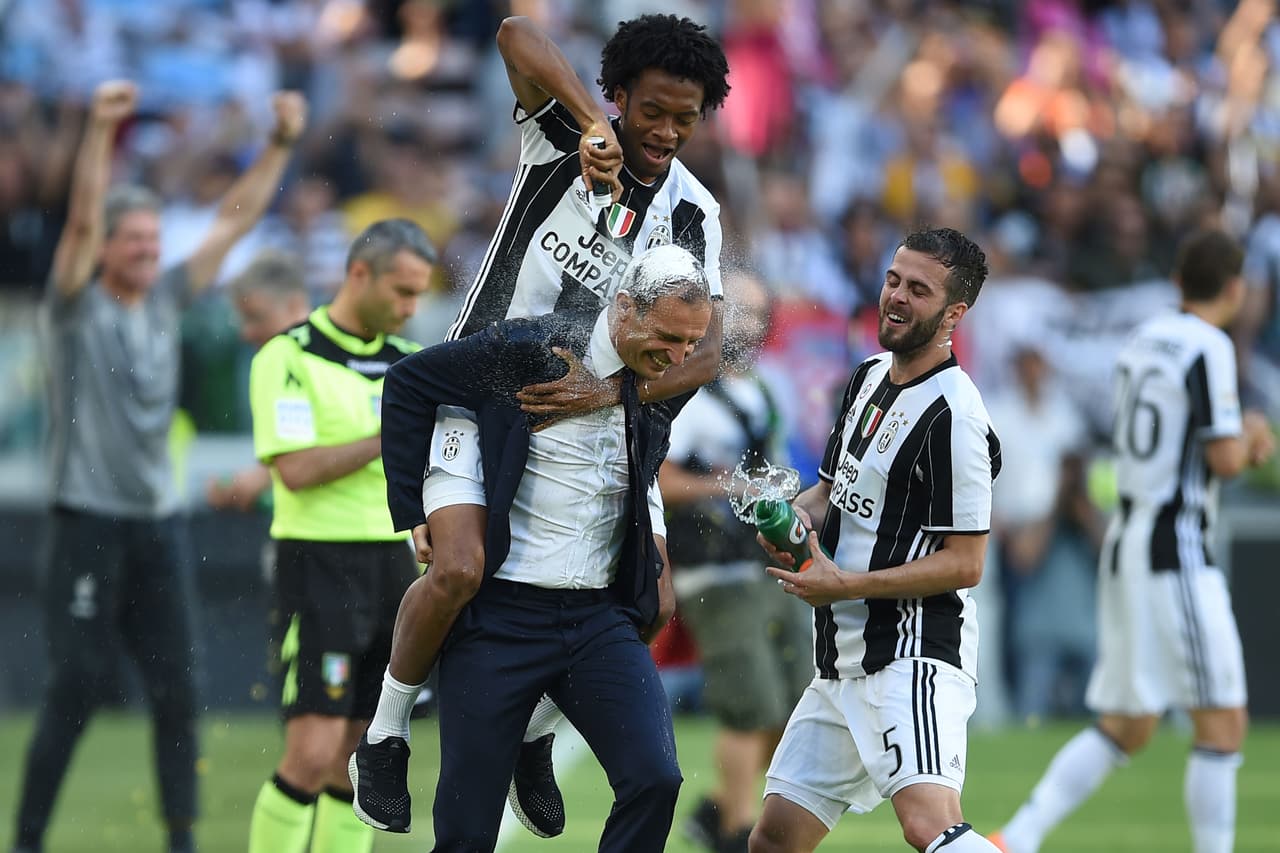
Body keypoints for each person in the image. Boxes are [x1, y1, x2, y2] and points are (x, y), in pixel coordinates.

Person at [350, 11, 731, 838]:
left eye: (685, 119)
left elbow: (710, 351)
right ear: (619, 96)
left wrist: (613, 391)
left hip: (596, 425)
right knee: (458, 568)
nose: (666, 132)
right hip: (481, 393)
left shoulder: (694, 214)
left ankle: (535, 733)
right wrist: (591, 123)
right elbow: (517, 33)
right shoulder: (566, 139)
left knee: (652, 598)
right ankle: (384, 733)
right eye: (651, 111)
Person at [13, 80, 306, 853]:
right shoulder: (75, 305)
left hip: (158, 525)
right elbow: (78, 218)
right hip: (86, 523)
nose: (148, 249)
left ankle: (181, 839)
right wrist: (101, 130)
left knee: (179, 691)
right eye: (132, 239)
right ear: (103, 247)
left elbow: (229, 224)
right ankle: (29, 837)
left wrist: (277, 145)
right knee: (75, 686)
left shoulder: (166, 298)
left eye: (151, 237)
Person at [365, 244, 710, 852]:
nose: (679, 359)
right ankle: (386, 734)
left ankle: (536, 727)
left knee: (656, 778)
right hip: (501, 617)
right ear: (624, 309)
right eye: (668, 338)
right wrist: (412, 508)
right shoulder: (534, 347)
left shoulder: (663, 373)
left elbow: (645, 456)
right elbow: (409, 381)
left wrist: (649, 535)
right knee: (466, 832)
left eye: (691, 344)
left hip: (597, 618)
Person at [989, 229, 1276, 853]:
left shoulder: (1142, 339)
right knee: (1223, 718)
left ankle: (1019, 836)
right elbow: (1225, 459)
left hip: (1128, 537)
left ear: (1177, 281)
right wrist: (1256, 437)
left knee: (1128, 724)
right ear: (1235, 288)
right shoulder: (1210, 345)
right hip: (1176, 545)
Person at [749, 227, 1005, 853]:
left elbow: (967, 563)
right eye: (894, 280)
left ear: (954, 314)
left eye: (918, 290)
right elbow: (831, 493)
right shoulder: (866, 377)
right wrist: (788, 516)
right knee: (774, 841)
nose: (895, 297)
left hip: (911, 655)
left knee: (930, 827)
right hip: (841, 658)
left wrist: (847, 583)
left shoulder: (957, 417)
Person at [245, 220, 437, 853]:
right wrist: (392, 432)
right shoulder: (288, 355)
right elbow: (296, 471)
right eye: (403, 292)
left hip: (393, 565)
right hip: (317, 564)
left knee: (362, 756)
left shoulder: (408, 364)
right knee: (311, 751)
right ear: (360, 274)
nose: (410, 308)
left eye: (418, 295)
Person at [660, 270, 810, 853]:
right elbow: (661, 478)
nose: (748, 322)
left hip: (768, 562)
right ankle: (734, 829)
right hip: (714, 569)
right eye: (736, 310)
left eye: (756, 311)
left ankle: (721, 808)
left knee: (796, 701)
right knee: (749, 703)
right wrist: (725, 486)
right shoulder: (689, 391)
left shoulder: (766, 389)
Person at [206, 250, 311, 513]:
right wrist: (247, 482)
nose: (245, 332)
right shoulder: (273, 363)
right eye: (243, 319)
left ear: (295, 306)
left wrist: (261, 478)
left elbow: (339, 444)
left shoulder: (328, 361)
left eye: (256, 317)